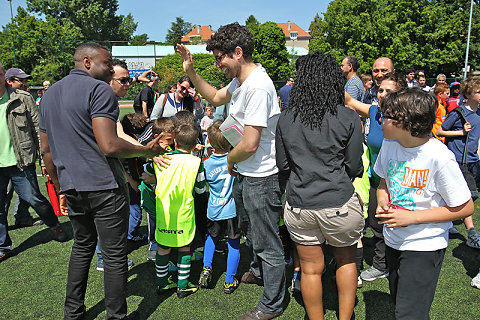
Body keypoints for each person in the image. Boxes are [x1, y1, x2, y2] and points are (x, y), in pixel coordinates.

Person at [39, 42, 163, 320]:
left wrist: (59, 187)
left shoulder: (48, 96)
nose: (110, 68)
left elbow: (46, 150)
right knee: (115, 254)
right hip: (104, 185)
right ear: (86, 62)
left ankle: (73, 313)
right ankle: (115, 316)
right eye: (107, 63)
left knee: (82, 246)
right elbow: (108, 145)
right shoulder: (98, 90)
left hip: (72, 185)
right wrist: (147, 150)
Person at [177, 22, 286, 320]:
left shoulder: (258, 86)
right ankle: (257, 271)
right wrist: (191, 71)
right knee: (251, 233)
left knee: (267, 240)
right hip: (247, 173)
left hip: (260, 175)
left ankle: (272, 304)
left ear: (237, 53)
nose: (218, 64)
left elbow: (250, 144)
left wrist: (227, 161)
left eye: (219, 58)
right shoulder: (242, 82)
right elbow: (214, 97)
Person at [276, 52, 364, 320]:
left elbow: (283, 166)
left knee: (311, 269)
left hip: (300, 204)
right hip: (339, 202)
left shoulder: (286, 118)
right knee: (346, 261)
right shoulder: (347, 117)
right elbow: (355, 166)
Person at [374, 87, 473, 319]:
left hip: (424, 246)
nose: (381, 120)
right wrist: (382, 201)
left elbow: (465, 207)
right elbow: (383, 183)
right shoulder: (390, 144)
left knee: (409, 314)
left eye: (386, 115)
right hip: (394, 241)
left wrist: (412, 217)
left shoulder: (439, 156)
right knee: (402, 305)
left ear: (406, 121)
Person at [0, 62, 68, 262]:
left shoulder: (23, 98)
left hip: (21, 161)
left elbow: (39, 132)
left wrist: (46, 160)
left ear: (4, 75)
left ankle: (54, 225)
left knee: (33, 198)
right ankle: (3, 245)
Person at [345, 72, 407, 283]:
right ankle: (382, 263)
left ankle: (385, 265)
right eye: (380, 90)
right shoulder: (375, 112)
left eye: (389, 91)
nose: (382, 95)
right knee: (376, 221)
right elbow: (350, 101)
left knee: (392, 225)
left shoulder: (408, 119)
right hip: (376, 178)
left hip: (400, 181)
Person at [149, 123, 206, 298]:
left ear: (175, 142)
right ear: (195, 142)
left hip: (163, 211)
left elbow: (146, 171)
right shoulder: (197, 162)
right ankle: (182, 286)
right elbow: (201, 189)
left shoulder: (162, 158)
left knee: (163, 248)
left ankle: (162, 284)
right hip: (184, 213)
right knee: (184, 248)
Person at [436, 76, 480, 249]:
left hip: (472, 159)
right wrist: (461, 132)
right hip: (457, 159)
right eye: (477, 91)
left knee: (455, 194)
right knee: (469, 195)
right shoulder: (459, 113)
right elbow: (440, 130)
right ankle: (472, 233)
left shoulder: (478, 113)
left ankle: (447, 221)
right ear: (468, 94)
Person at [198, 121, 241, 294]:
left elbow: (201, 186)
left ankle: (207, 267)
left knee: (211, 238)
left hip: (213, 208)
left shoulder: (206, 163)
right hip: (231, 209)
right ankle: (229, 280)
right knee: (234, 243)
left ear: (210, 142)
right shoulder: (235, 159)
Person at [4, 67, 43, 227]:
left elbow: (37, 128)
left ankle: (23, 217)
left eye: (26, 80)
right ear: (9, 81)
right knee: (5, 194)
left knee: (31, 191)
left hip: (24, 155)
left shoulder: (26, 98)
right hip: (4, 159)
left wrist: (42, 158)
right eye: (21, 80)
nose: (25, 83)